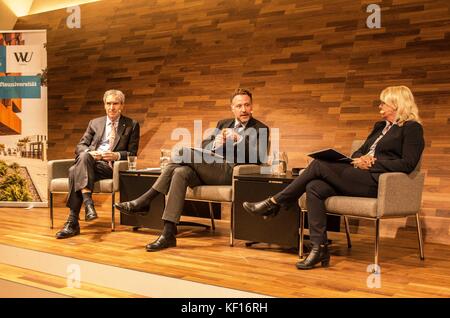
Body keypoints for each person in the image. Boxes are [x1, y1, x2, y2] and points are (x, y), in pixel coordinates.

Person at [243, 85, 424, 270]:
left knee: (319, 164)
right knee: (314, 186)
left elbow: (408, 164)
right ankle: (319, 248)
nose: (380, 107)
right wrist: (358, 159)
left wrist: (373, 162)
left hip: (377, 182)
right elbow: (359, 151)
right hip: (358, 175)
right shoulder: (380, 127)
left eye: (383, 103)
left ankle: (274, 202)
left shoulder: (411, 128)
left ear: (397, 105)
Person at [116, 88, 269, 251]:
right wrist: (216, 144)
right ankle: (168, 233)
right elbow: (204, 146)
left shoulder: (261, 128)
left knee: (182, 152)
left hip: (230, 173)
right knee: (180, 172)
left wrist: (239, 139)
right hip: (210, 169)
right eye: (239, 106)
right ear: (232, 108)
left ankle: (145, 200)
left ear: (252, 106)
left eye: (247, 105)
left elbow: (259, 157)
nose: (243, 109)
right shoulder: (223, 124)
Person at [56, 89, 140, 239]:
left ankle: (74, 219)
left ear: (122, 105)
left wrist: (116, 155)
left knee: (74, 170)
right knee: (84, 156)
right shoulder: (94, 123)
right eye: (108, 103)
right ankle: (84, 210)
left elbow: (132, 153)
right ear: (104, 105)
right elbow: (80, 146)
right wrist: (90, 152)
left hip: (109, 167)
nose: (111, 107)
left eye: (115, 103)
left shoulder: (131, 125)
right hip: (91, 162)